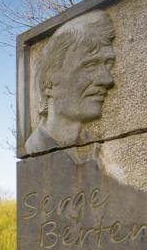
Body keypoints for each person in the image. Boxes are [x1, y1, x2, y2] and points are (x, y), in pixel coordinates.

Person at [24, 10, 116, 160]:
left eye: (108, 64)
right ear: (48, 82)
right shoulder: (36, 148)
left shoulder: (94, 149)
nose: (107, 80)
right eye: (90, 65)